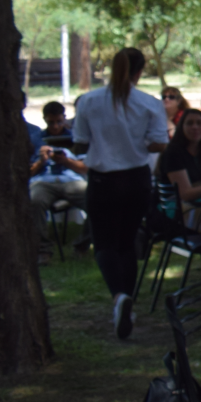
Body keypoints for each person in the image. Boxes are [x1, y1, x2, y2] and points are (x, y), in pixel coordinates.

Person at [72, 47, 169, 339]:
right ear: (139, 72)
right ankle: (128, 301)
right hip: (137, 178)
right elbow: (159, 144)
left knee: (104, 244)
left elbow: (79, 143)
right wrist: (136, 142)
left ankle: (118, 297)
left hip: (103, 180)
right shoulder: (149, 103)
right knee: (127, 243)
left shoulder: (89, 101)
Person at [30, 101, 89, 264]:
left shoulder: (76, 138)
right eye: (51, 122)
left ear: (64, 118)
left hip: (71, 179)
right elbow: (28, 173)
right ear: (44, 120)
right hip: (43, 181)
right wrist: (41, 161)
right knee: (34, 200)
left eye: (58, 121)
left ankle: (81, 245)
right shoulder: (36, 139)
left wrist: (65, 161)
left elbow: (85, 168)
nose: (55, 126)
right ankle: (43, 249)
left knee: (97, 199)